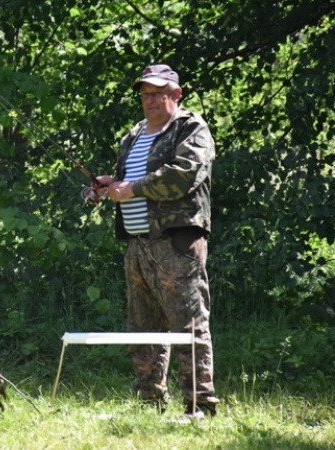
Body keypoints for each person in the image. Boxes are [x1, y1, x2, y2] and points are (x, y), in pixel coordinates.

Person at [94, 64, 218, 418]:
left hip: (175, 242)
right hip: (137, 243)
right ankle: (150, 401)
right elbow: (129, 180)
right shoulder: (132, 136)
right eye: (145, 94)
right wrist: (109, 185)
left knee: (188, 323)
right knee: (142, 326)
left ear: (176, 95)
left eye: (158, 93)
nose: (150, 100)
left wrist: (131, 188)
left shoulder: (190, 128)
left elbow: (183, 176)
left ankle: (200, 405)